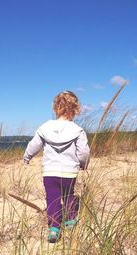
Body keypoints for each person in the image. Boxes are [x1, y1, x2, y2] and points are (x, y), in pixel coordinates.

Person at [23, 90, 90, 243]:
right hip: (69, 173)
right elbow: (84, 152)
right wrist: (83, 164)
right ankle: (71, 221)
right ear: (75, 109)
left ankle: (54, 228)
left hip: (50, 172)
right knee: (68, 195)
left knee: (52, 199)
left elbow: (34, 145)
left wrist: (27, 157)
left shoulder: (45, 127)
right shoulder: (77, 130)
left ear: (56, 108)